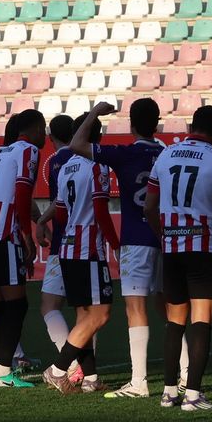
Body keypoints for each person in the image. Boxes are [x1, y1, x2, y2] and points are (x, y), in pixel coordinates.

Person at [70, 97, 169, 399]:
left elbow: (76, 144)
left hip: (136, 240)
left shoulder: (124, 154)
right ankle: (185, 375)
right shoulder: (166, 154)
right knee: (171, 310)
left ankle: (139, 381)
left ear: (132, 125)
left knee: (135, 310)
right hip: (166, 239)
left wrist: (95, 113)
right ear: (157, 123)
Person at [144, 105, 212, 412]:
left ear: (192, 125)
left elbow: (149, 208)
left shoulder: (165, 154)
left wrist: (165, 235)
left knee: (175, 323)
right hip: (202, 246)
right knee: (202, 321)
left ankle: (169, 392)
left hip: (171, 248)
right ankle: (194, 396)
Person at [41, 116, 119, 395]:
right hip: (89, 249)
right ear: (98, 137)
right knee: (101, 314)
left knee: (84, 316)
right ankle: (58, 369)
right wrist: (117, 246)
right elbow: (100, 210)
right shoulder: (96, 165)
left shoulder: (65, 168)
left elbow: (60, 213)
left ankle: (91, 378)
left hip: (68, 247)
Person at [0, 109, 47, 390]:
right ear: (35, 129)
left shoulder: (1, 153)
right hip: (4, 233)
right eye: (43, 129)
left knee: (0, 302)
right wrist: (26, 237)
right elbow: (22, 193)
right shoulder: (28, 149)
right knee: (17, 304)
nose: (45, 136)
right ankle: (3, 371)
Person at [37, 114, 80, 378]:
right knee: (85, 309)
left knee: (49, 305)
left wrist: (41, 220)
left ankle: (72, 364)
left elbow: (59, 202)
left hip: (63, 241)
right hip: (87, 242)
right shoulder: (85, 158)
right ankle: (87, 372)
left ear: (50, 137)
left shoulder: (55, 162)